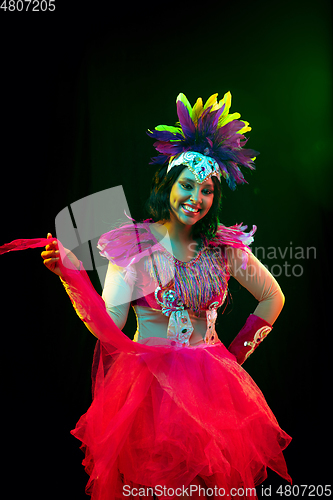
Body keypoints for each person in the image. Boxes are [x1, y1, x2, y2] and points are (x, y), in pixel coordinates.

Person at [0, 92, 291, 499]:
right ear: (168, 185)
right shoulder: (132, 246)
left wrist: (234, 356)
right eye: (187, 185)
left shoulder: (224, 248)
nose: (196, 198)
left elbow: (272, 298)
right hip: (149, 394)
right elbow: (110, 326)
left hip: (214, 388)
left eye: (207, 190)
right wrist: (70, 275)